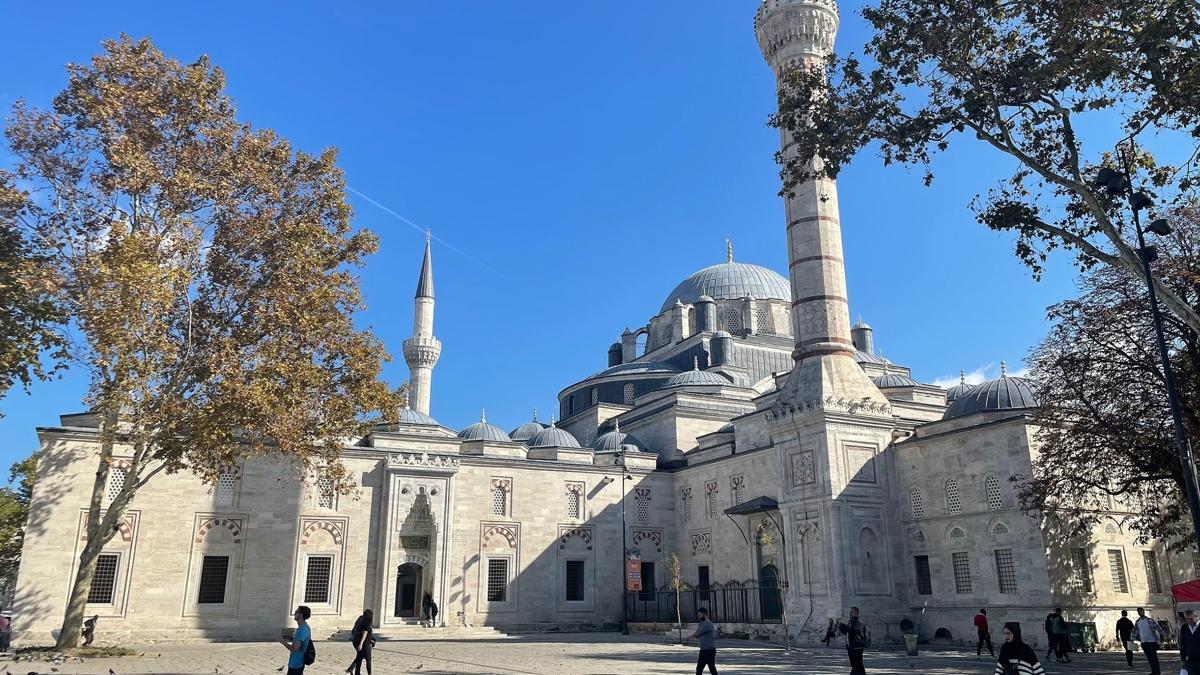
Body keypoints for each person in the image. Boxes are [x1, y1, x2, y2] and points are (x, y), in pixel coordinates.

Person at [280, 605, 312, 675]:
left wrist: (283, 642)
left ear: (301, 615)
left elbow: (295, 648)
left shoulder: (302, 629)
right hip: (296, 663)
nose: (294, 613)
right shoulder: (303, 628)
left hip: (296, 664)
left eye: (296, 612)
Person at [686, 607, 717, 675]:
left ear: (705, 614)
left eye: (700, 615)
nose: (699, 616)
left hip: (709, 650)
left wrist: (690, 637)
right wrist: (695, 636)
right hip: (703, 650)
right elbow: (698, 634)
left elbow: (698, 633)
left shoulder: (708, 624)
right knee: (699, 669)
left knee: (712, 669)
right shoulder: (702, 623)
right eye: (698, 615)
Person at [837, 606, 868, 675]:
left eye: (852, 612)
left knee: (858, 664)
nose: (850, 613)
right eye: (850, 612)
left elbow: (851, 630)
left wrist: (842, 624)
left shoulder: (858, 623)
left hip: (857, 647)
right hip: (851, 646)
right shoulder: (851, 621)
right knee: (854, 665)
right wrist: (840, 624)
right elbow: (845, 631)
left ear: (856, 613)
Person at [1134, 606, 1161, 675]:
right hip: (1144, 643)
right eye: (1139, 612)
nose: (1140, 613)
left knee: (1154, 658)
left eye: (1141, 611)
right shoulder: (1138, 622)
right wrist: (1132, 639)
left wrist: (1163, 636)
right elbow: (1135, 632)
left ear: (1144, 611)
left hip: (1152, 642)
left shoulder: (1150, 620)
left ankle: (1157, 672)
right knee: (1149, 658)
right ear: (1138, 613)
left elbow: (1158, 628)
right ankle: (1153, 671)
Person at [346, 609, 374, 675]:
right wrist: (361, 644)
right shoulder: (366, 623)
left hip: (357, 641)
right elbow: (365, 634)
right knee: (367, 659)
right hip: (365, 643)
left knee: (359, 656)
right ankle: (368, 673)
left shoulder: (360, 619)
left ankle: (354, 671)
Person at [1180, 609, 1200, 675]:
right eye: (1187, 619)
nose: (1189, 621)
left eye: (1191, 619)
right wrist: (1183, 657)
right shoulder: (1184, 627)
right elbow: (1182, 643)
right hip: (1189, 658)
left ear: (1197, 617)